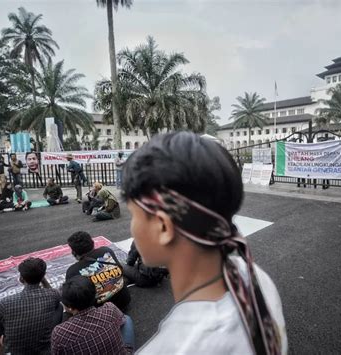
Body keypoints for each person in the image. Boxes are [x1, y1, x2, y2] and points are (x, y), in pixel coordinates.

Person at [121, 132, 287, 354]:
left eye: (134, 215)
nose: (132, 226)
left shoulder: (175, 348)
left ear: (163, 227)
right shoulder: (254, 278)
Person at [0, 258, 61, 355]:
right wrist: (43, 280)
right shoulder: (52, 295)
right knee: (59, 307)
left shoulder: (5, 303)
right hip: (45, 351)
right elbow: (56, 295)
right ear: (43, 276)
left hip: (15, 352)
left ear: (21, 279)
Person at [51, 276, 134, 355]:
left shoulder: (60, 333)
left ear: (69, 307)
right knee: (126, 318)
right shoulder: (110, 309)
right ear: (95, 294)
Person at [66, 231, 131, 311]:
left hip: (100, 312)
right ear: (93, 243)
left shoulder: (72, 271)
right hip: (124, 301)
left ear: (74, 252)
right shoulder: (106, 251)